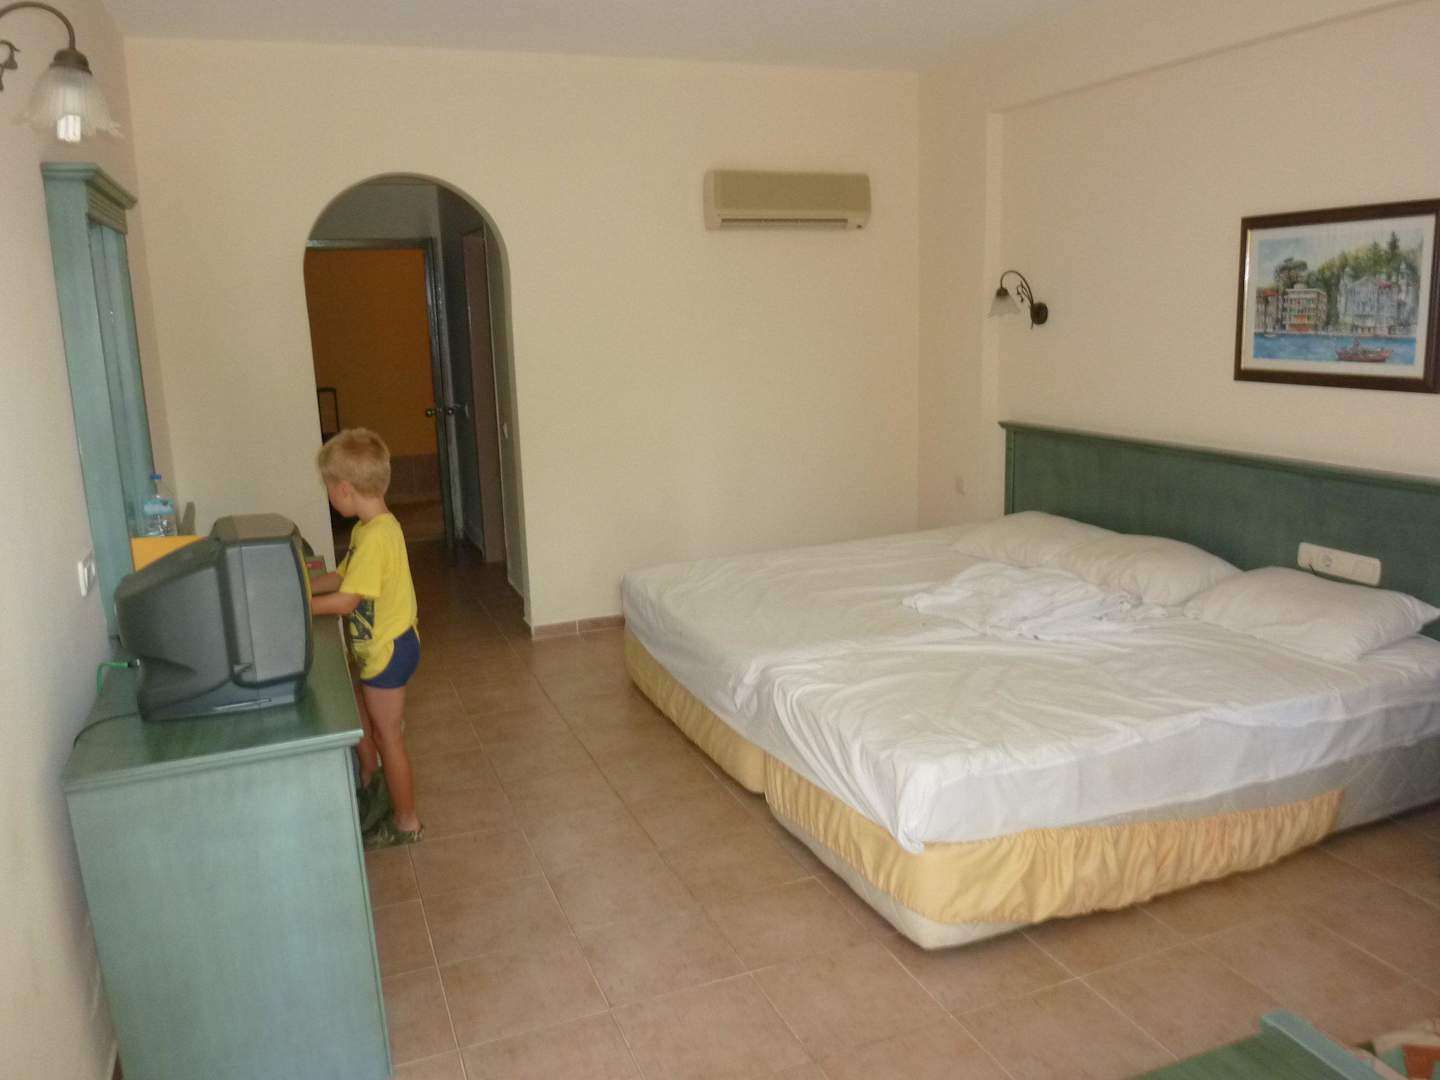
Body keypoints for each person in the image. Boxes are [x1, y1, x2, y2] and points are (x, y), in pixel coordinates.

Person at [310, 428, 424, 848]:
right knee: (364, 713)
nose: (329, 496)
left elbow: (346, 601)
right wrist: (302, 587)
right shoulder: (369, 529)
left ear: (343, 489)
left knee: (389, 735)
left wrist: (298, 608)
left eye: (328, 488)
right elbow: (343, 577)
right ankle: (369, 776)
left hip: (389, 650)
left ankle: (406, 822)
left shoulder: (376, 536)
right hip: (383, 647)